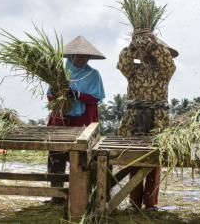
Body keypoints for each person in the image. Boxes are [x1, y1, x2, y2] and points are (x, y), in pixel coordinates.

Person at [117, 29, 178, 211]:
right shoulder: (133, 71)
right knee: (134, 158)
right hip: (134, 118)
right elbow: (123, 62)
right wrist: (134, 43)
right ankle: (133, 203)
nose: (149, 56)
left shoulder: (165, 72)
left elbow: (168, 62)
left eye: (153, 53)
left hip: (157, 119)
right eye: (147, 53)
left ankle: (151, 204)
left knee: (154, 160)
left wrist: (152, 44)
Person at [46, 36, 105, 205]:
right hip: (61, 120)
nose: (80, 59)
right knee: (56, 155)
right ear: (70, 56)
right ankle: (56, 194)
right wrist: (59, 96)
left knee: (81, 159)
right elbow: (50, 94)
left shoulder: (93, 74)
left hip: (83, 122)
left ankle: (80, 195)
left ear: (88, 58)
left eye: (83, 56)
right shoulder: (60, 73)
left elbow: (96, 98)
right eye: (77, 56)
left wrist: (77, 94)